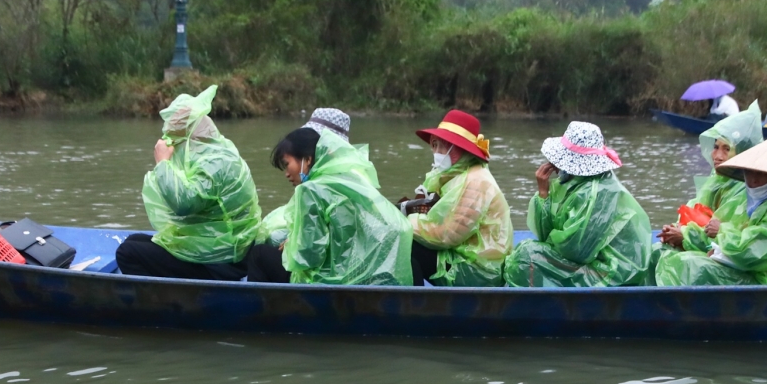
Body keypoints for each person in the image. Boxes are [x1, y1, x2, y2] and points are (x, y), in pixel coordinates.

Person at [117, 85, 261, 280]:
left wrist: (163, 164)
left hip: (224, 261)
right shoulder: (219, 152)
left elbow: (183, 204)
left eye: (174, 139)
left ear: (188, 135)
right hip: (225, 247)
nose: (172, 145)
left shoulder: (213, 164)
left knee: (127, 252)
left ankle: (169, 302)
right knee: (135, 240)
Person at [654, 136, 767, 286]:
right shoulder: (751, 200)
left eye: (761, 173)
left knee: (689, 266)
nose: (753, 179)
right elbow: (718, 236)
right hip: (756, 271)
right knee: (664, 253)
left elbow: (759, 251)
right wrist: (693, 239)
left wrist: (720, 233)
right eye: (749, 172)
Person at [247, 127, 413, 285]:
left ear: (307, 159)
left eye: (287, 164)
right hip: (359, 271)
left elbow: (309, 255)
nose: (287, 174)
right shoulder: (348, 178)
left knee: (258, 254)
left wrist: (290, 246)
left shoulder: (309, 190)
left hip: (326, 281)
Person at [504, 122, 652, 288]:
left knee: (527, 256)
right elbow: (546, 237)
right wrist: (543, 194)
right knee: (525, 251)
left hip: (615, 272)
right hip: (596, 262)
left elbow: (575, 252)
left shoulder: (598, 192)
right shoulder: (575, 184)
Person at [403, 110, 512, 287]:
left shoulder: (477, 182)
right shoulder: (454, 176)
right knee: (406, 241)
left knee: (407, 246)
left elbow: (448, 235)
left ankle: (415, 304)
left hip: (479, 269)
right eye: (434, 145)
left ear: (459, 149)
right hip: (462, 256)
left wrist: (407, 223)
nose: (436, 152)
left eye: (442, 146)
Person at [655, 101, 763, 265]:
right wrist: (675, 229)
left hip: (729, 257)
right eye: (716, 147)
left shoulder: (748, 187)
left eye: (726, 149)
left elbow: (731, 238)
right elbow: (695, 210)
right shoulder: (717, 180)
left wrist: (685, 236)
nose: (717, 156)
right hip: (706, 245)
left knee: (680, 265)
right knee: (658, 251)